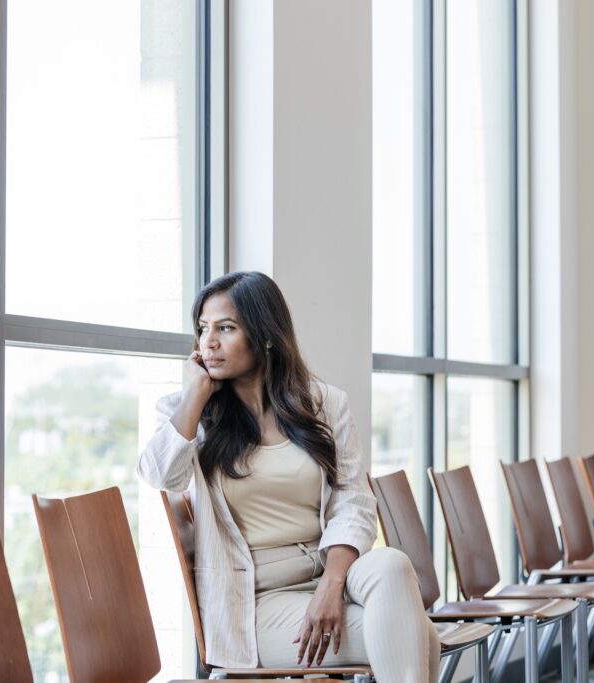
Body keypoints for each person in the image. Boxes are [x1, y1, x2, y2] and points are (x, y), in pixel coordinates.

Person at [136, 271, 438, 682]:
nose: (209, 342)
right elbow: (160, 475)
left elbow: (354, 500)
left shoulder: (324, 404)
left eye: (225, 328)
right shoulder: (189, 413)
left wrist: (331, 586)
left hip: (330, 575)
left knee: (391, 563)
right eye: (203, 329)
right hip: (254, 604)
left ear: (264, 335)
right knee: (421, 636)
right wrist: (195, 394)